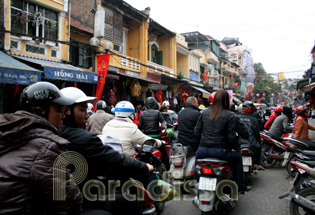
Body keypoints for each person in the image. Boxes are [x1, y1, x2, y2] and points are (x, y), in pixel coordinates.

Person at [60, 88, 154, 215]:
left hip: (69, 194)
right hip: (81, 198)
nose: (87, 115)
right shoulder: (84, 138)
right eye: (82, 110)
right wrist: (144, 167)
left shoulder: (57, 133)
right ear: (65, 111)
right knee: (131, 201)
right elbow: (114, 159)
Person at [0, 82, 82, 215]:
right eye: (58, 111)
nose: (63, 116)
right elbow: (68, 204)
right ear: (39, 111)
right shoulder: (49, 147)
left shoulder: (8, 132)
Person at [194, 90, 250, 193]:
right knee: (237, 157)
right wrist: (234, 148)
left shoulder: (204, 113)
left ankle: (194, 184)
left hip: (202, 150)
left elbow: (196, 133)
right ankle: (240, 186)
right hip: (220, 152)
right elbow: (231, 137)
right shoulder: (230, 115)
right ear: (227, 101)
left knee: (196, 163)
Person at [238, 101, 265, 171]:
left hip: (239, 143)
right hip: (251, 143)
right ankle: (257, 164)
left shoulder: (237, 117)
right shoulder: (254, 120)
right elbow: (257, 134)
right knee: (259, 147)